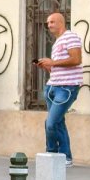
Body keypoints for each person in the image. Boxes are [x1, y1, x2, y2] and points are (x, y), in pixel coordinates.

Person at [36, 11, 83, 166]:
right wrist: (47, 66)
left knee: (51, 123)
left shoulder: (70, 37)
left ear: (61, 22)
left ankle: (52, 153)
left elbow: (76, 59)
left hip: (67, 87)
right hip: (52, 86)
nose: (48, 25)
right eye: (48, 23)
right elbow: (59, 66)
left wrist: (53, 63)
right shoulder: (58, 41)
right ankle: (65, 157)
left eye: (52, 22)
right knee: (58, 123)